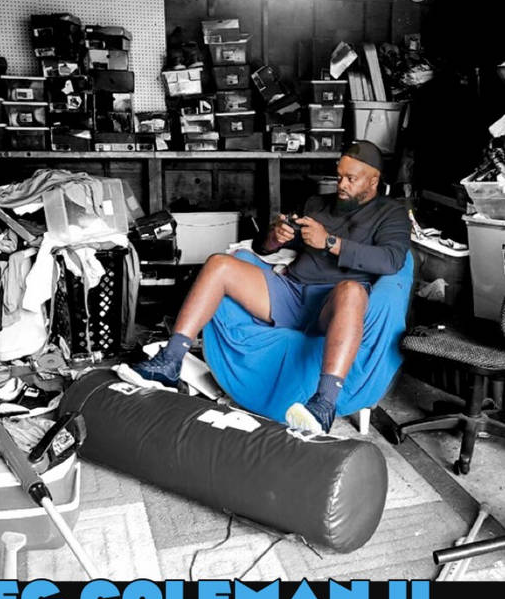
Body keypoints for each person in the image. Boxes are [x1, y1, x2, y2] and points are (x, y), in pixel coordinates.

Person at [127, 140, 411, 434]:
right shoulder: (316, 204)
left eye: (351, 179)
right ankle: (169, 362)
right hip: (291, 293)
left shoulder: (391, 213)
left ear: (373, 180)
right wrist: (275, 236)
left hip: (334, 307)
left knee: (352, 290)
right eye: (339, 176)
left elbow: (392, 260)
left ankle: (323, 404)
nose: (342, 185)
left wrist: (330, 242)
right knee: (219, 264)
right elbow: (262, 247)